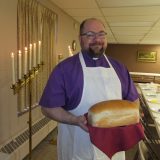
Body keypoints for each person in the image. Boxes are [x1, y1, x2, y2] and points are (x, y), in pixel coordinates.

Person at [39, 18, 139, 160]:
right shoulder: (64, 69)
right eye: (90, 34)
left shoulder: (120, 68)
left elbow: (134, 102)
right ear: (80, 39)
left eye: (101, 34)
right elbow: (48, 108)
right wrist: (74, 120)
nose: (97, 39)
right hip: (78, 148)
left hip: (114, 151)